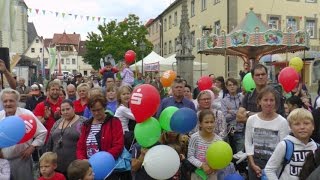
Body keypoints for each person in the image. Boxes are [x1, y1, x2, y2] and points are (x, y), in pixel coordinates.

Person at [0, 88, 47, 180]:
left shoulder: (26, 115)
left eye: (11, 101)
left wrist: (32, 147)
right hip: (2, 162)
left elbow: (42, 132)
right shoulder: (0, 115)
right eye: (5, 101)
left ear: (17, 102)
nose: (8, 104)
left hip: (21, 160)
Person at [244, 86, 290, 180]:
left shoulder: (282, 122)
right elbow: (248, 143)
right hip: (254, 163)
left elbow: (284, 147)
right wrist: (252, 164)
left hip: (274, 166)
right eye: (265, 100)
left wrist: (270, 169)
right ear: (259, 102)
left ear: (276, 103)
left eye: (271, 100)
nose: (268, 103)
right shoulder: (251, 120)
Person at [76, 95, 125, 179]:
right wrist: (83, 160)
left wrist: (101, 161)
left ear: (105, 107)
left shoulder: (114, 122)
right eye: (93, 110)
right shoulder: (86, 125)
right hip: (89, 171)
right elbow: (80, 147)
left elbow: (118, 145)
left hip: (108, 168)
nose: (96, 113)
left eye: (99, 110)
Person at [264, 108, 318, 180]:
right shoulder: (285, 145)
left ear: (313, 126)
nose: (302, 127)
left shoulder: (316, 147)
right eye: (297, 124)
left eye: (306, 123)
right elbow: (269, 169)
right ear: (290, 127)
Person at [47, 99, 87, 176]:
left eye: (68, 109)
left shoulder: (83, 122)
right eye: (63, 110)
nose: (65, 112)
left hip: (75, 166)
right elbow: (50, 142)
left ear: (74, 108)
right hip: (57, 165)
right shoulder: (57, 122)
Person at [188, 109, 222, 180]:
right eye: (206, 122)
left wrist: (215, 167)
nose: (209, 125)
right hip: (197, 174)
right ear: (200, 123)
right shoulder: (194, 137)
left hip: (212, 174)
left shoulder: (219, 140)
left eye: (212, 122)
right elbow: (190, 156)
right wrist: (202, 165)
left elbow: (221, 157)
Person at [221, 78, 244, 153]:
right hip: (230, 131)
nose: (232, 87)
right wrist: (238, 112)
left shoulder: (243, 98)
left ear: (237, 86)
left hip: (242, 130)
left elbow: (245, 113)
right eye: (230, 85)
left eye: (234, 84)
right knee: (231, 153)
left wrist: (231, 111)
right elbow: (225, 117)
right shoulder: (224, 101)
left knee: (240, 155)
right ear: (227, 87)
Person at [114, 85, 135, 150]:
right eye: (123, 94)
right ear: (119, 97)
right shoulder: (122, 109)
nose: (126, 95)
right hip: (123, 133)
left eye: (128, 93)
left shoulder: (126, 107)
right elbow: (136, 117)